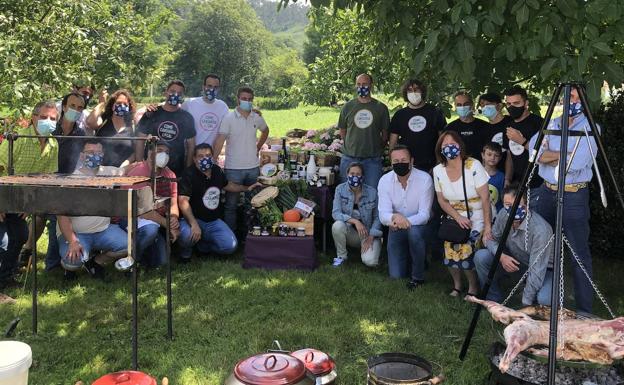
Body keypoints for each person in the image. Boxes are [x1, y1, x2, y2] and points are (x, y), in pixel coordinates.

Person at [529, 86, 597, 314]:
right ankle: (540, 298)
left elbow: (574, 165)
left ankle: (584, 309)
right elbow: (534, 152)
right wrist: (564, 153)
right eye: (566, 97)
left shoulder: (590, 128)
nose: (569, 101)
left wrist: (551, 156)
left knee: (578, 253)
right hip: (547, 192)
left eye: (575, 97)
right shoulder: (552, 124)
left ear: (583, 100)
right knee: (542, 246)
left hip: (573, 194)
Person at [57, 139, 129, 277]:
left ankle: (96, 262)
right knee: (72, 262)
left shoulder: (108, 172)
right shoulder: (72, 181)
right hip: (78, 233)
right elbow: (62, 215)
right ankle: (72, 266)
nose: (95, 155)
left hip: (104, 231)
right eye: (90, 152)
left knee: (129, 246)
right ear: (82, 155)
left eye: (98, 152)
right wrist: (73, 241)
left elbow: (125, 170)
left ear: (103, 154)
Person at [433, 131, 492, 297]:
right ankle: (457, 285)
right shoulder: (438, 170)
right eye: (445, 145)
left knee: (467, 249)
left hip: (478, 214)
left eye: (453, 143)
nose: (449, 147)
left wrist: (487, 226)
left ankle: (473, 286)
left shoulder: (473, 165)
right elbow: (441, 200)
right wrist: (458, 217)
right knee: (450, 249)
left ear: (460, 145)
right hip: (453, 215)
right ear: (440, 149)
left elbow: (485, 197)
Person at [474, 184, 553, 306]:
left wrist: (525, 304)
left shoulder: (541, 230)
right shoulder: (503, 214)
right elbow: (490, 240)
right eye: (508, 205)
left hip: (544, 269)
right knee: (481, 257)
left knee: (545, 299)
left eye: (518, 205)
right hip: (516, 262)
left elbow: (537, 269)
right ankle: (493, 301)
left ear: (526, 206)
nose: (512, 209)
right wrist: (501, 257)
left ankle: (531, 300)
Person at [0, 101, 60, 263]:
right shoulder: (19, 139)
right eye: (43, 117)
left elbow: (45, 179)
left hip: (22, 200)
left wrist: (30, 203)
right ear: (33, 118)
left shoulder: (53, 145)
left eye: (53, 119)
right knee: (3, 241)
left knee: (20, 236)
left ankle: (7, 277)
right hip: (3, 194)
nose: (48, 121)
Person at [177, 144, 260, 261]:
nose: (204, 159)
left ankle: (203, 246)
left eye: (208, 155)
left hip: (213, 221)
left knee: (230, 246)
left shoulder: (217, 171)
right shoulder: (188, 174)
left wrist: (246, 188)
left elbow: (228, 185)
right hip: (193, 219)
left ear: (212, 157)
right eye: (200, 156)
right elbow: (183, 201)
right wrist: (193, 224)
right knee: (186, 236)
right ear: (194, 159)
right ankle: (186, 253)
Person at [212, 86, 268, 232]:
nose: (247, 102)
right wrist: (214, 160)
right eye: (244, 99)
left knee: (252, 204)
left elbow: (265, 130)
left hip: (253, 168)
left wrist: (258, 146)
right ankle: (231, 235)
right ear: (238, 99)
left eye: (250, 99)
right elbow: (220, 140)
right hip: (233, 168)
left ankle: (249, 234)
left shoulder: (256, 117)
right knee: (231, 205)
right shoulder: (229, 118)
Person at [378, 145, 433, 289]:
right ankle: (415, 258)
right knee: (396, 276)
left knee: (414, 234)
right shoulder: (384, 181)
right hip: (395, 227)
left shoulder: (425, 179)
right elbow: (383, 214)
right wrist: (395, 217)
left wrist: (404, 221)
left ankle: (418, 277)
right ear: (391, 163)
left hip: (418, 227)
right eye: (395, 161)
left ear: (412, 161)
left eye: (403, 160)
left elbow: (424, 215)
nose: (399, 163)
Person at [45, 92, 87, 272]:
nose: (75, 110)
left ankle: (54, 263)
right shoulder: (50, 129)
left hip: (68, 183)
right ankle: (51, 263)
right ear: (63, 106)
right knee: (52, 219)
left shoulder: (81, 133)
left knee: (58, 219)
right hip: (47, 181)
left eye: (79, 108)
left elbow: (82, 160)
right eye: (72, 106)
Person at [124, 140, 180, 268]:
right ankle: (131, 261)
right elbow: (145, 211)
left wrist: (173, 219)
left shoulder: (170, 174)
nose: (164, 155)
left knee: (161, 262)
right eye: (159, 151)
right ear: (150, 152)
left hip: (155, 220)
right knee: (150, 231)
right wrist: (168, 225)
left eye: (166, 152)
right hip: (132, 218)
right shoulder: (138, 174)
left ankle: (143, 254)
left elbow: (173, 203)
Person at [337, 73, 389, 188]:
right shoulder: (348, 107)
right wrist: (351, 145)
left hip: (372, 160)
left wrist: (375, 148)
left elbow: (385, 135)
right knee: (346, 193)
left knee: (372, 192)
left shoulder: (380, 108)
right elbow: (343, 130)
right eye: (359, 84)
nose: (361, 87)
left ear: (371, 85)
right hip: (349, 158)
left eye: (365, 84)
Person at [135, 80, 196, 177]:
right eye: (172, 91)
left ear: (182, 97)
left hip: (176, 169)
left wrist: (187, 169)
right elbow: (140, 139)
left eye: (179, 93)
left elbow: (191, 146)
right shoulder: (152, 113)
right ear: (166, 93)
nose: (175, 95)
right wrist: (139, 164)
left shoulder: (187, 117)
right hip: (151, 167)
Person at [331, 162, 383, 267]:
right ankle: (341, 257)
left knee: (370, 262)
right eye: (352, 174)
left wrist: (372, 236)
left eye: (358, 174)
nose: (355, 177)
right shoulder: (340, 189)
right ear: (347, 175)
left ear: (363, 177)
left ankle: (375, 246)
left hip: (368, 234)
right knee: (337, 225)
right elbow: (336, 213)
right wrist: (355, 221)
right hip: (351, 233)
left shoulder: (372, 192)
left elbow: (378, 217)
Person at [388, 79, 446, 172]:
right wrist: (393, 162)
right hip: (406, 165)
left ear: (422, 91)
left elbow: (443, 139)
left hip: (431, 164)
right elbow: (393, 142)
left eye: (416, 89)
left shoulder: (435, 112)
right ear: (405, 93)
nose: (413, 93)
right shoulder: (400, 115)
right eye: (410, 90)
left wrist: (439, 162)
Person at [503, 86, 543, 192]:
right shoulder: (508, 126)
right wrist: (508, 178)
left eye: (516, 103)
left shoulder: (539, 124)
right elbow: (510, 155)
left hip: (539, 183)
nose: (512, 107)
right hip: (518, 184)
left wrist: (522, 141)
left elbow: (544, 153)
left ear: (526, 103)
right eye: (508, 104)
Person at [91, 89, 137, 167]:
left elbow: (135, 152)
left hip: (122, 173)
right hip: (100, 171)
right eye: (118, 103)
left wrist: (124, 166)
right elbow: (90, 122)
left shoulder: (132, 126)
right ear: (112, 106)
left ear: (129, 107)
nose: (122, 106)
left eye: (125, 104)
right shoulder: (103, 120)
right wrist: (101, 103)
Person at [181, 74, 229, 147]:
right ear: (203, 87)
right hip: (190, 151)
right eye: (209, 86)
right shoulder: (189, 103)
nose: (212, 89)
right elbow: (174, 114)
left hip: (209, 154)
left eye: (215, 87)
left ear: (218, 89)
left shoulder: (223, 107)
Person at [445, 91, 489, 162]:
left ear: (472, 105)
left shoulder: (485, 126)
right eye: (459, 105)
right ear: (455, 107)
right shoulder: (449, 128)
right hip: (458, 167)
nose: (462, 107)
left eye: (466, 104)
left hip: (480, 167)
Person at [479, 92, 512, 174]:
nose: (485, 107)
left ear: (499, 106)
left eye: (488, 104)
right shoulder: (484, 129)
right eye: (482, 105)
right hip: (494, 175)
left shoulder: (511, 123)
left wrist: (508, 178)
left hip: (515, 176)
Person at [0, 213, 28, 292]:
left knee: (20, 235)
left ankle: (6, 277)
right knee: (3, 243)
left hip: (13, 207)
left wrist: (29, 206)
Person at [481, 142, 505, 214]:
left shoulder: (502, 177)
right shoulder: (476, 174)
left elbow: (502, 198)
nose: (492, 158)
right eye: (489, 154)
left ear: (500, 158)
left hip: (496, 213)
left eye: (496, 155)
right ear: (483, 155)